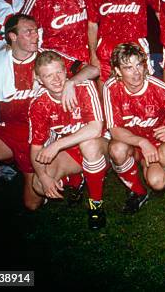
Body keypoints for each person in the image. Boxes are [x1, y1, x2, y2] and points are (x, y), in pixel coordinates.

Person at [0, 14, 98, 210]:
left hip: (40, 136)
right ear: (12, 36)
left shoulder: (47, 59)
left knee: (32, 204)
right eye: (29, 32)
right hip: (9, 131)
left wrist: (71, 82)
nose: (36, 36)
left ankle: (68, 175)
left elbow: (92, 70)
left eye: (36, 31)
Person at [29, 51, 107, 229]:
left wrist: (56, 145)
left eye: (59, 73)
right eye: (48, 76)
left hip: (102, 145)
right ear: (40, 79)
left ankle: (96, 205)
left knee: (89, 145)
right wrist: (43, 175)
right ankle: (78, 176)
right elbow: (35, 148)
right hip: (71, 151)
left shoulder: (84, 87)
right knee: (39, 184)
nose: (56, 80)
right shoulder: (39, 104)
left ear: (66, 71)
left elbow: (95, 129)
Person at [103, 43, 165, 214]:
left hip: (156, 145)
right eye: (128, 67)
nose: (136, 72)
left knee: (157, 182)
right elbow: (115, 130)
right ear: (118, 71)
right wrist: (141, 141)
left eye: (139, 65)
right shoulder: (111, 88)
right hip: (131, 143)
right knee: (116, 149)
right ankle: (137, 192)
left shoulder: (159, 88)